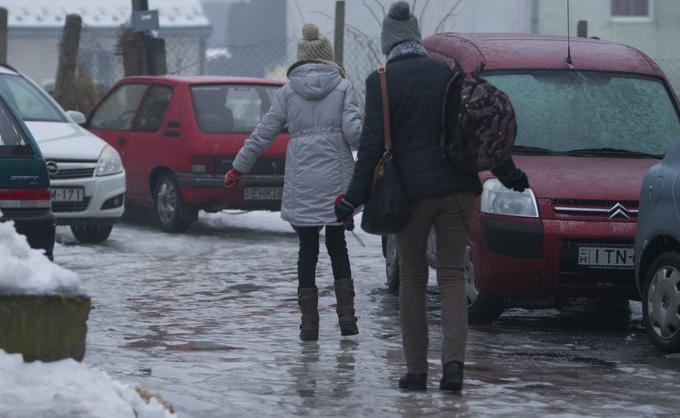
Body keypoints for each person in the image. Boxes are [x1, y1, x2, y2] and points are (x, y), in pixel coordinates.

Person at [335, 2, 529, 392]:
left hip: (411, 198)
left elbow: (371, 149)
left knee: (413, 278)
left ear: (388, 42)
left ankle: (416, 371)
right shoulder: (447, 74)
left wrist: (350, 200)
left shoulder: (382, 82)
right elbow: (475, 132)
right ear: (416, 38)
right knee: (454, 276)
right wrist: (511, 176)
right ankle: (454, 367)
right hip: (458, 191)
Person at [225, 23, 363, 341]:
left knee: (307, 250)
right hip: (336, 183)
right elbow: (355, 135)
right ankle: (346, 320)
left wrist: (238, 168)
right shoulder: (343, 87)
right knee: (338, 246)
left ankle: (309, 324)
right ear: (328, 56)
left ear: (301, 58)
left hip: (302, 182)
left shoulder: (287, 92)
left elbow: (263, 133)